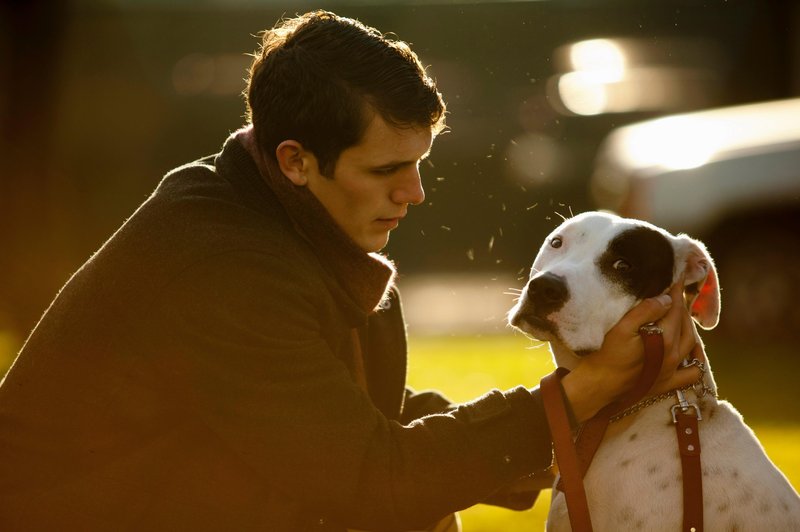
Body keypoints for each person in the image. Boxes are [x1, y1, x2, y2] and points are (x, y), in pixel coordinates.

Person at [0, 11, 704, 531]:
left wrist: (572, 428)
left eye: (419, 164)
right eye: (387, 169)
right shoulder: (224, 267)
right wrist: (576, 398)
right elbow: (369, 479)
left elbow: (361, 419)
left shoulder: (279, 218)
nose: (415, 193)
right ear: (295, 161)